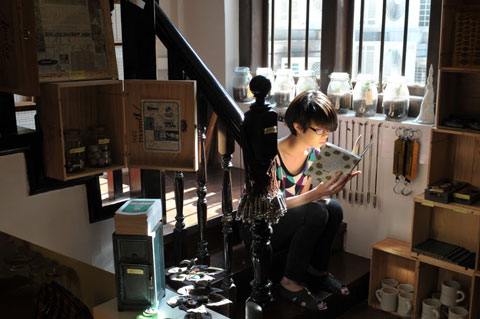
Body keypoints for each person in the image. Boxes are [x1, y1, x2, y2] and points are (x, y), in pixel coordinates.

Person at [273, 90, 360, 312]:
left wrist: (330, 188)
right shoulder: (271, 155)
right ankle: (289, 282)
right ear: (298, 127)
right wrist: (314, 195)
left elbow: (309, 200)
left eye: (328, 130)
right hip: (263, 224)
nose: (325, 135)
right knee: (318, 211)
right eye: (319, 129)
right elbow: (271, 207)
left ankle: (316, 272)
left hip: (291, 218)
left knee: (333, 208)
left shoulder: (313, 153)